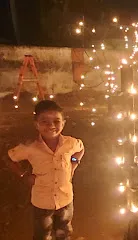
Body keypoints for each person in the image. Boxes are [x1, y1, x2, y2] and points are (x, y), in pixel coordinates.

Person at [4, 100, 84, 240]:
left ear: (63, 123)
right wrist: (23, 175)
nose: (51, 125)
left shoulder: (70, 143)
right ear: (36, 124)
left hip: (65, 199)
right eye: (44, 121)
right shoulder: (30, 148)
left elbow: (81, 149)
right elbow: (10, 158)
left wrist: (73, 164)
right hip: (42, 202)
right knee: (42, 233)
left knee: (64, 232)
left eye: (56, 121)